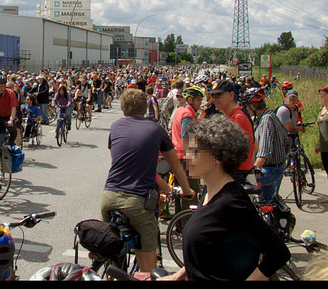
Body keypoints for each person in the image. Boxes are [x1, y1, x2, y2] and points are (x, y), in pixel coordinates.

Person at [160, 116, 291, 281]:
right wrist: (178, 275)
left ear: (217, 157)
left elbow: (278, 253)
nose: (187, 157)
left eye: (194, 152)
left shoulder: (232, 202)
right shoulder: (209, 191)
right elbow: (209, 247)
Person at [100, 88, 195, 273]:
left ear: (124, 110)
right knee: (148, 268)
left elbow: (118, 163)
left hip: (109, 197)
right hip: (137, 202)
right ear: (145, 109)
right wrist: (186, 190)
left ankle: (111, 271)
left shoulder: (116, 126)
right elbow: (175, 164)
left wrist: (164, 186)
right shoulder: (156, 129)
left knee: (111, 252)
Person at [243, 88, 288, 203]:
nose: (246, 109)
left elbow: (264, 151)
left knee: (242, 189)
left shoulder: (266, 120)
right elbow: (285, 138)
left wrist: (252, 172)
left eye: (247, 106)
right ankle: (274, 218)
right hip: (273, 167)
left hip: (270, 169)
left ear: (253, 106)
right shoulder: (268, 115)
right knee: (267, 201)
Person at [209, 79, 255, 184]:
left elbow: (227, 150)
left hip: (237, 172)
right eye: (213, 96)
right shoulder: (234, 114)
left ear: (231, 96)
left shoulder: (237, 117)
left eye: (218, 96)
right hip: (240, 170)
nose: (214, 99)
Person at [170, 85, 205, 212]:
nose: (201, 102)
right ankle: (188, 225)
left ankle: (179, 225)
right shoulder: (188, 113)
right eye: (199, 99)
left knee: (181, 192)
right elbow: (187, 137)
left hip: (177, 156)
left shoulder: (180, 109)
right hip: (186, 158)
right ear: (190, 100)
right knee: (191, 194)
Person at [0, 74, 19, 146]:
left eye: (3, 86)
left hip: (8, 116)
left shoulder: (11, 93)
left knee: (13, 131)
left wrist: (11, 119)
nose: (1, 88)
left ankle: (10, 145)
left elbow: (13, 108)